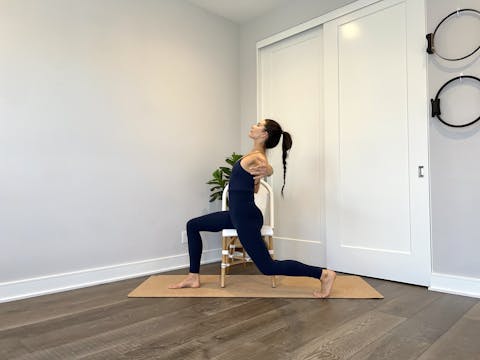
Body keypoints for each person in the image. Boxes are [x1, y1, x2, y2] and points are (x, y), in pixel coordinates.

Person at [169, 119, 336, 298]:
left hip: (246, 217)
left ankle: (323, 274)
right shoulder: (254, 154)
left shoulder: (258, 157)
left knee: (267, 267)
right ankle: (193, 277)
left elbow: (268, 168)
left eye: (258, 125)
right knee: (193, 225)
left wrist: (269, 171)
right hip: (237, 215)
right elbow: (255, 187)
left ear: (264, 135)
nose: (253, 126)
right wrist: (256, 180)